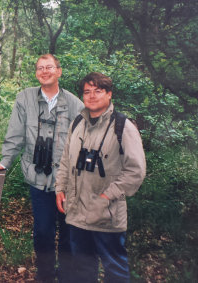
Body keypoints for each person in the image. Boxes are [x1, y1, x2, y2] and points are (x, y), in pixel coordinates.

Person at [0, 54, 84, 282]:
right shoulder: (25, 99)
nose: (44, 71)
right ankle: (45, 276)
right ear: (36, 73)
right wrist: (4, 162)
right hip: (38, 179)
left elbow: (83, 144)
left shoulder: (75, 104)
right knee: (42, 232)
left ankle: (67, 277)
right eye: (40, 68)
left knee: (68, 233)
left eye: (49, 67)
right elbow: (15, 136)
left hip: (68, 182)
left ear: (59, 71)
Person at [55, 72, 146, 282]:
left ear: (109, 94)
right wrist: (60, 188)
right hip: (77, 214)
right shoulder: (77, 123)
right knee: (83, 270)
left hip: (107, 216)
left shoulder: (123, 127)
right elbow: (66, 160)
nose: (92, 96)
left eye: (98, 90)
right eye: (87, 91)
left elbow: (136, 171)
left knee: (115, 270)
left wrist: (107, 196)